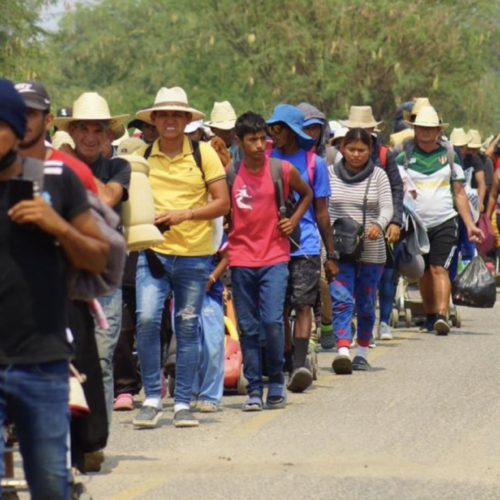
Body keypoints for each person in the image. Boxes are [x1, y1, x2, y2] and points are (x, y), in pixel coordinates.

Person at [0, 78, 109, 498]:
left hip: (41, 360)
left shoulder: (57, 178)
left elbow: (98, 258)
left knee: (50, 485)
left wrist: (57, 225)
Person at [132, 86, 229, 429]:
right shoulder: (140, 157)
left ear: (187, 120)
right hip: (153, 254)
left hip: (195, 255)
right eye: (164, 115)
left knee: (187, 326)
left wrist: (184, 215)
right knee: (146, 321)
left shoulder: (204, 154)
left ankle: (183, 403)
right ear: (154, 120)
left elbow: (222, 203)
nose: (170, 120)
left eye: (177, 114)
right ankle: (153, 398)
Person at [53, 92, 132, 425]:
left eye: (96, 130)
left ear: (107, 135)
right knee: (62, 358)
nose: (89, 136)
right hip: (62, 275)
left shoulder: (118, 166)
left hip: (103, 278)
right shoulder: (54, 167)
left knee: (100, 357)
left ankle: (97, 435)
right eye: (82, 129)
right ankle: (71, 436)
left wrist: (71, 163)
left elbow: (105, 195)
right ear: (72, 132)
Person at [227, 111, 312, 410]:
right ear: (238, 142)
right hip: (240, 259)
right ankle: (253, 389)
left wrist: (293, 220)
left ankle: (276, 380)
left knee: (273, 322)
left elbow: (307, 194)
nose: (260, 145)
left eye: (263, 139)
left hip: (275, 256)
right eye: (252, 140)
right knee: (248, 327)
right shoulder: (230, 173)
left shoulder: (282, 169)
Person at [267, 104, 338, 393]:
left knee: (303, 304)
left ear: (294, 131)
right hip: (271, 244)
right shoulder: (265, 158)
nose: (275, 133)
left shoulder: (314, 164)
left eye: (279, 128)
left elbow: (322, 212)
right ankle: (284, 361)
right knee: (277, 309)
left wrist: (331, 255)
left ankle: (298, 365)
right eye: (273, 127)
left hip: (305, 245)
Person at [395, 106, 483, 335]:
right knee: (423, 272)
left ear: (437, 131)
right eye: (421, 128)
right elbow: (396, 190)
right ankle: (430, 315)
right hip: (415, 225)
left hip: (445, 221)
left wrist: (471, 224)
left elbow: (460, 193)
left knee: (439, 269)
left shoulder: (451, 155)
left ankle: (442, 316)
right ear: (415, 129)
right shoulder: (403, 157)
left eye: (430, 128)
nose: (425, 132)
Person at [329, 128, 393, 373]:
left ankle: (362, 352)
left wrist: (379, 224)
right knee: (342, 300)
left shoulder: (379, 176)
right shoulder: (330, 174)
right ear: (342, 148)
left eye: (361, 150)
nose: (355, 154)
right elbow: (322, 207)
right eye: (351, 149)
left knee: (366, 304)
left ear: (370, 151)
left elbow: (387, 207)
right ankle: (343, 350)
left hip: (371, 250)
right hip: (339, 250)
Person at [339, 105, 404, 342]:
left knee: (385, 276)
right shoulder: (339, 156)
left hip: (379, 231)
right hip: (346, 235)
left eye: (363, 128)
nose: (356, 153)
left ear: (372, 130)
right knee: (345, 289)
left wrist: (394, 222)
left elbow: (396, 190)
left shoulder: (384, 155)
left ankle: (383, 321)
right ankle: (348, 333)